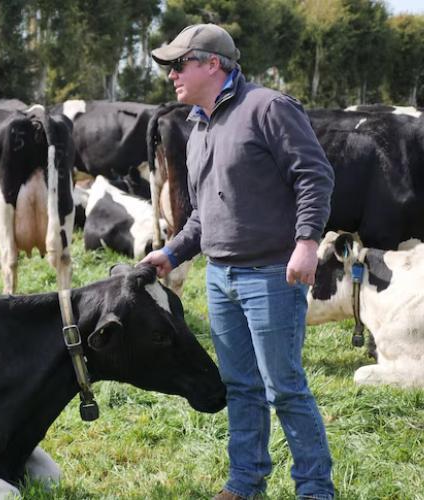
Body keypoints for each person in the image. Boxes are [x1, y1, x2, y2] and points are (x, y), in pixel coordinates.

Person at [142, 24, 335, 500]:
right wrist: (170, 253)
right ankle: (244, 482)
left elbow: (314, 175)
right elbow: (204, 218)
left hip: (270, 274)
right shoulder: (197, 127)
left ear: (213, 63)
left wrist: (307, 242)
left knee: (284, 386)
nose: (171, 75)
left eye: (178, 64)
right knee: (241, 386)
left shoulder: (267, 107)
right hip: (220, 277)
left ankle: (314, 489)